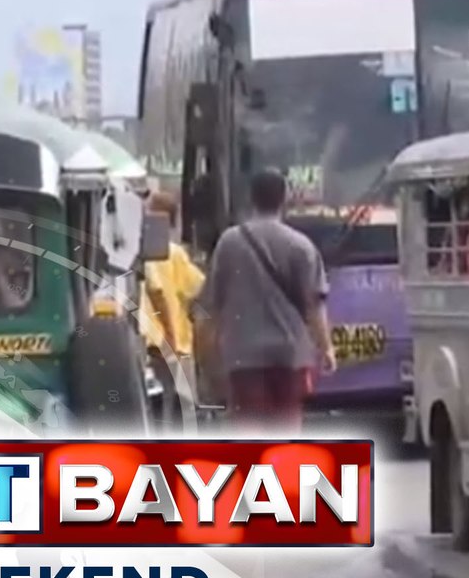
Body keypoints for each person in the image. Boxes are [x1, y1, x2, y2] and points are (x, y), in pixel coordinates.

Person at [195, 168, 337, 434]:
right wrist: (325, 348)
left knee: (248, 433)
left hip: (243, 357)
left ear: (251, 198)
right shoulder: (301, 246)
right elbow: (314, 306)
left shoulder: (229, 243)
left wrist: (208, 356)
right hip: (290, 357)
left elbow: (212, 307)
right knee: (286, 432)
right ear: (284, 199)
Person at [139, 191, 206, 427]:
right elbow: (198, 289)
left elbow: (156, 292)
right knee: (182, 408)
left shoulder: (145, 253)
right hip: (173, 344)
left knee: (156, 408)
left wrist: (169, 336)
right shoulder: (175, 253)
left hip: (153, 342)